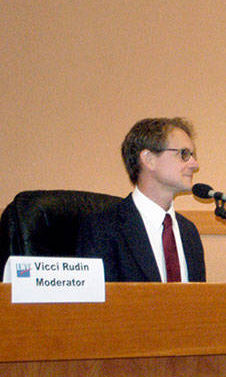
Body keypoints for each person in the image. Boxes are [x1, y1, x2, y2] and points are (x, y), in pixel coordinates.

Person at [76, 117, 206, 282]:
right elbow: (99, 304)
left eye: (192, 155)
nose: (195, 164)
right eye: (184, 154)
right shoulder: (102, 229)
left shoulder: (188, 231)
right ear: (149, 159)